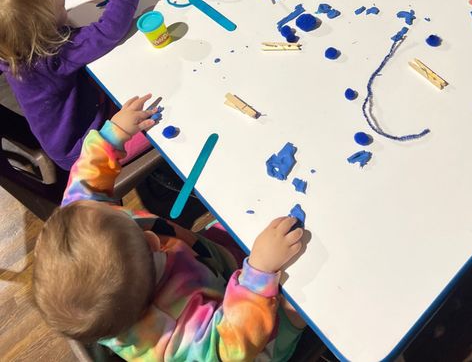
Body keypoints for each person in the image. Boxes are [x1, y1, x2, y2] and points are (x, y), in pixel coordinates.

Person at [33, 94, 306, 361]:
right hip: (242, 332)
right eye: (143, 236)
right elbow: (231, 348)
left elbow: (86, 181)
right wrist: (258, 275)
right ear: (152, 243)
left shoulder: (83, 214)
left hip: (206, 262)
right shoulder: (170, 340)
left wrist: (112, 135)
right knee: (298, 304)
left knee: (246, 221)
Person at [0, 0, 144, 169]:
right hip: (85, 148)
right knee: (158, 124)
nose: (64, 5)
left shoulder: (10, 43)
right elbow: (109, 30)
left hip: (78, 121)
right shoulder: (51, 55)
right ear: (46, 28)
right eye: (61, 5)